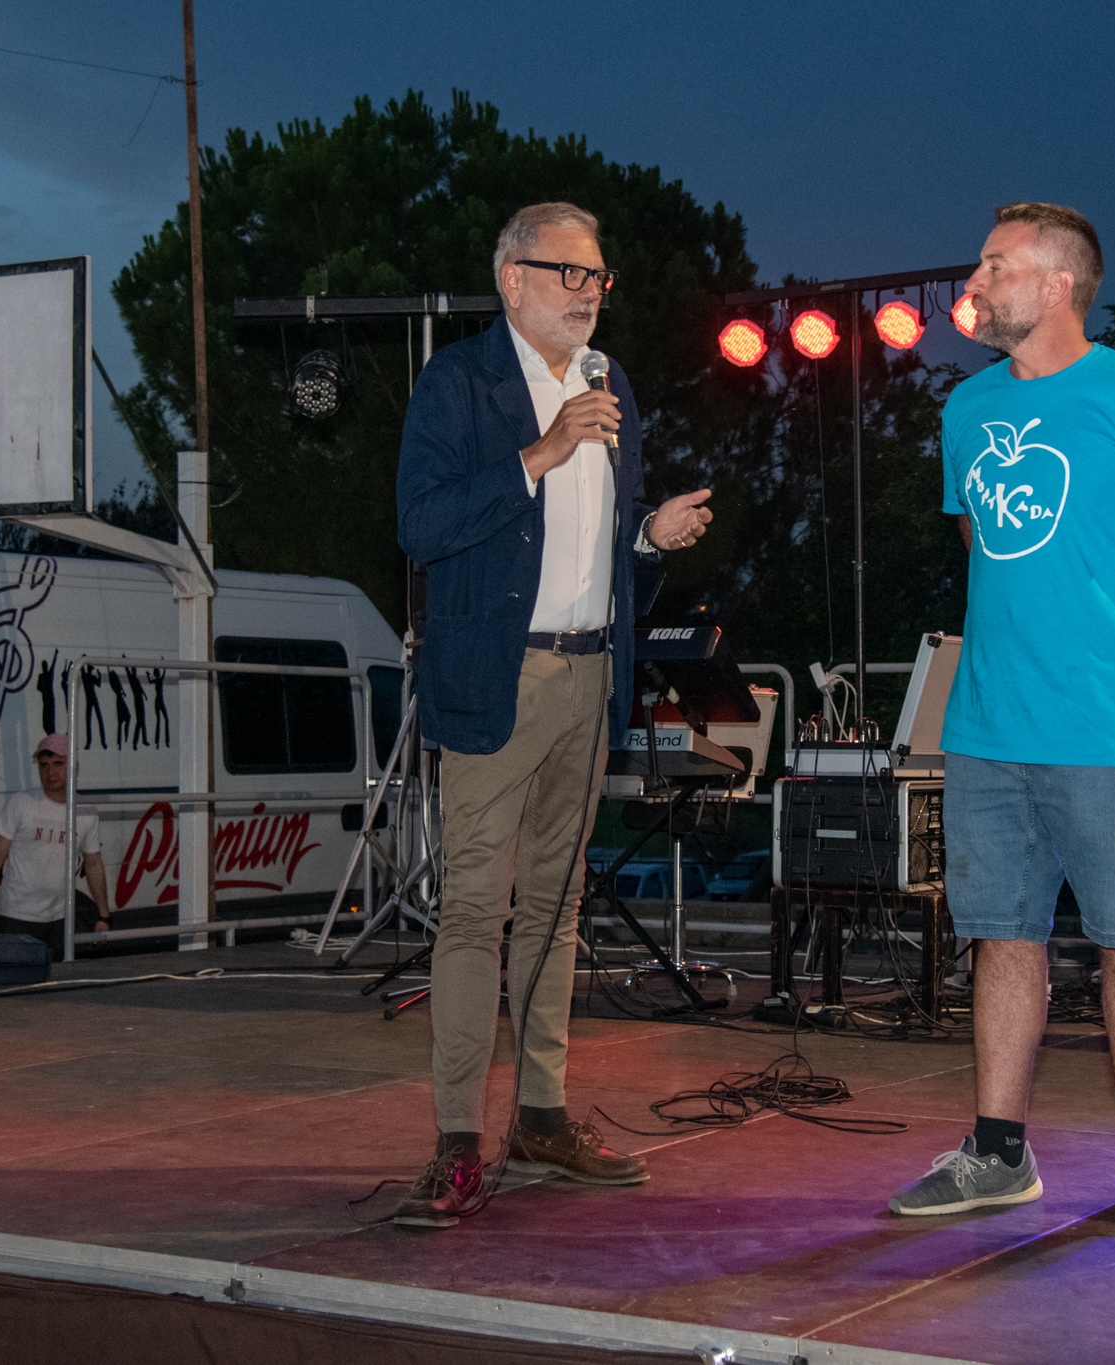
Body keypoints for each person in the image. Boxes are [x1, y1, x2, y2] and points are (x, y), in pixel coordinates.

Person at [888, 203, 1115, 1235]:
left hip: (1108, 728)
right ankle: (997, 1152)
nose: (974, 282)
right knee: (1000, 935)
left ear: (1056, 285)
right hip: (989, 727)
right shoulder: (967, 409)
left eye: (995, 265)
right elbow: (982, 540)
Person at [392, 201, 716, 1229]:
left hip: (589, 675)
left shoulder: (609, 383)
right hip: (500, 676)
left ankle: (541, 1115)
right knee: (473, 911)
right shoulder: (461, 383)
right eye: (568, 272)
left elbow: (598, 547)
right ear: (512, 279)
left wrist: (651, 540)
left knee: (557, 907)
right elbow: (420, 525)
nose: (588, 292)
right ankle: (456, 1142)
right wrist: (539, 453)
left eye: (598, 276)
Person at [0, 734, 111, 959]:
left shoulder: (86, 811)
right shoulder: (22, 803)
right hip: (16, 915)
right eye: (44, 765)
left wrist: (103, 916)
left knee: (57, 977)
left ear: (75, 768)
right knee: (17, 977)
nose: (50, 772)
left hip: (60, 919)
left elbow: (93, 864)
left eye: (58, 764)